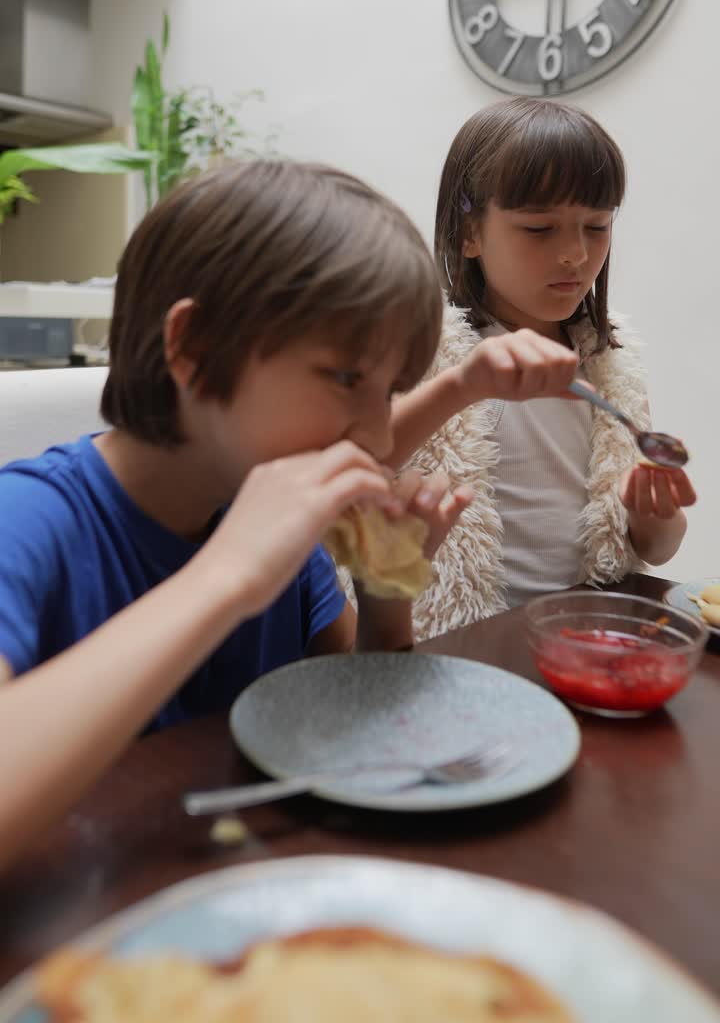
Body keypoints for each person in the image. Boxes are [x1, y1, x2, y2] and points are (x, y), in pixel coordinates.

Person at [0, 158, 578, 869]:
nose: (374, 435)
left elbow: (353, 700)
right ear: (192, 346)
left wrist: (386, 590)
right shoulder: (26, 522)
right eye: (345, 378)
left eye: (390, 389)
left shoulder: (273, 511)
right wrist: (227, 574)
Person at [407, 97, 696, 638]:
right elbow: (362, 466)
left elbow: (654, 550)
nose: (575, 254)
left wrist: (654, 516)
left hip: (580, 640)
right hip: (463, 647)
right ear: (469, 231)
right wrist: (457, 388)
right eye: (540, 229)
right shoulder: (426, 354)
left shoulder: (612, 370)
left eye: (597, 226)